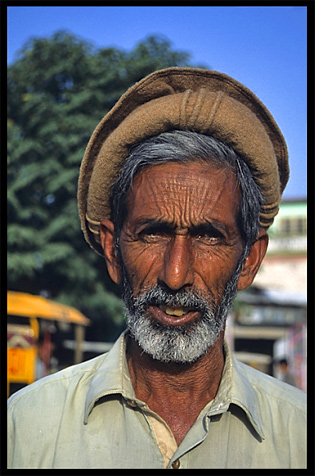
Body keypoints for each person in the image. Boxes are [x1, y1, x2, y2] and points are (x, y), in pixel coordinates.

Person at [7, 68, 306, 469]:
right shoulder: (24, 428)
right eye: (152, 234)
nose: (176, 275)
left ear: (249, 260)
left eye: (208, 237)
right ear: (113, 251)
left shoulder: (300, 434)